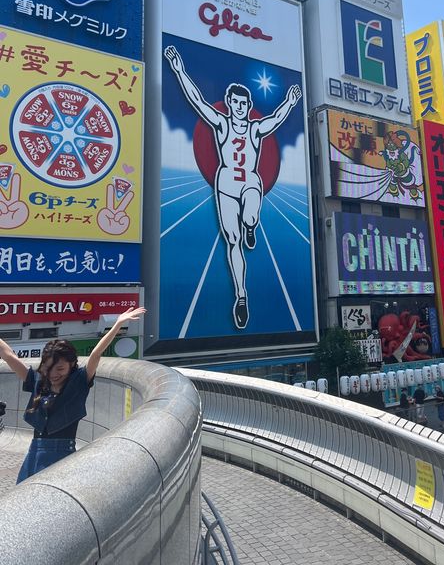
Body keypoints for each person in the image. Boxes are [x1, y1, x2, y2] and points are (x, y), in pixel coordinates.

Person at [164, 45, 302, 330]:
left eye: (244, 104)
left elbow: (276, 119)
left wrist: (289, 102)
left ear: (248, 106)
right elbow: (197, 101)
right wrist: (179, 70)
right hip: (225, 182)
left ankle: (252, 225)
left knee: (250, 217)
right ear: (229, 104)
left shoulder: (254, 128)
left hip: (250, 181)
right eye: (235, 103)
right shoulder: (222, 124)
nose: (239, 108)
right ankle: (241, 295)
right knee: (232, 240)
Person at [0, 306, 145, 483]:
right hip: (34, 452)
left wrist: (117, 324)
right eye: (48, 368)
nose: (53, 373)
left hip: (62, 454)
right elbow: (8, 356)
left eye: (60, 368)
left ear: (71, 365)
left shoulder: (78, 383)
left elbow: (96, 354)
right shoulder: (39, 381)